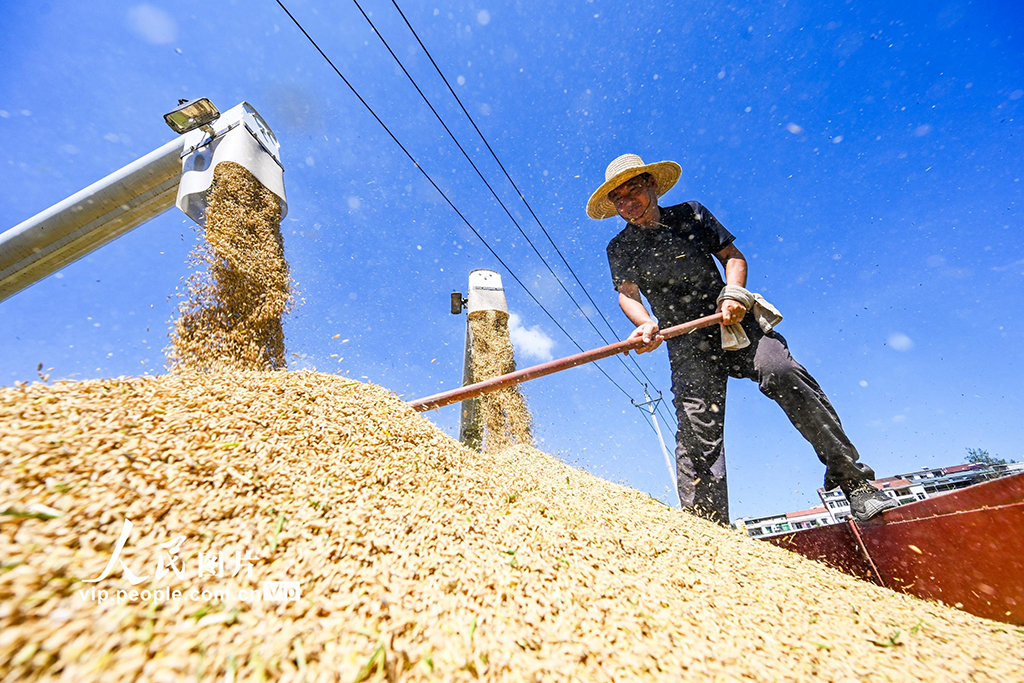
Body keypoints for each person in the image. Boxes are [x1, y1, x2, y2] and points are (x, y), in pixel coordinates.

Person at [588, 153, 897, 525]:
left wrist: (734, 294)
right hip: (686, 345)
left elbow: (732, 256)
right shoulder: (620, 248)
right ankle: (708, 529)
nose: (627, 202)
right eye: (618, 198)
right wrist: (645, 323)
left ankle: (855, 484)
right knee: (696, 427)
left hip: (733, 324)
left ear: (652, 185)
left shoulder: (691, 214)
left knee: (781, 371)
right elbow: (628, 293)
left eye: (632, 190)